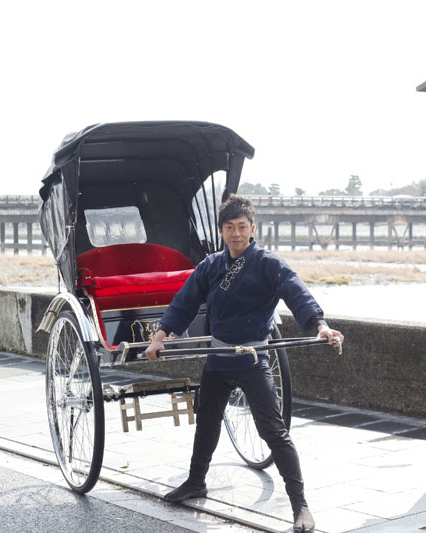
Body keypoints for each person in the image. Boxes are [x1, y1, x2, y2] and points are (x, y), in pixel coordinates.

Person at [144, 194, 344, 533]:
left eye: (242, 227)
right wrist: (161, 334)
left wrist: (320, 326)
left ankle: (300, 505)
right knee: (207, 423)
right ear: (221, 231)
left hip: (253, 360)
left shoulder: (268, 264)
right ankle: (196, 482)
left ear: (252, 228)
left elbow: (297, 294)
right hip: (218, 358)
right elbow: (185, 301)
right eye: (229, 228)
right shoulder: (210, 266)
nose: (236, 234)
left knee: (274, 432)